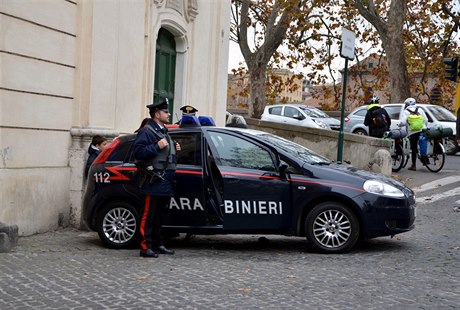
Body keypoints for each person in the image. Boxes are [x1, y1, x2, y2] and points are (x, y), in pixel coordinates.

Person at [133, 98, 181, 258]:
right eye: (166, 111)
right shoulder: (146, 131)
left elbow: (165, 155)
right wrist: (156, 147)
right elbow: (138, 153)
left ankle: (158, 244)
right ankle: (145, 247)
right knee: (148, 216)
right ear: (157, 113)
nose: (168, 114)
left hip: (164, 181)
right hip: (152, 181)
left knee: (159, 216)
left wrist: (175, 149)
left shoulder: (164, 131)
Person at [399, 97, 428, 171]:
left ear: (407, 104)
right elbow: (426, 120)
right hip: (422, 129)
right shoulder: (420, 109)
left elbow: (403, 122)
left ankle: (413, 165)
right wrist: (424, 126)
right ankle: (425, 158)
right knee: (423, 142)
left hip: (412, 132)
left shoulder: (406, 111)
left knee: (414, 148)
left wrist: (399, 125)